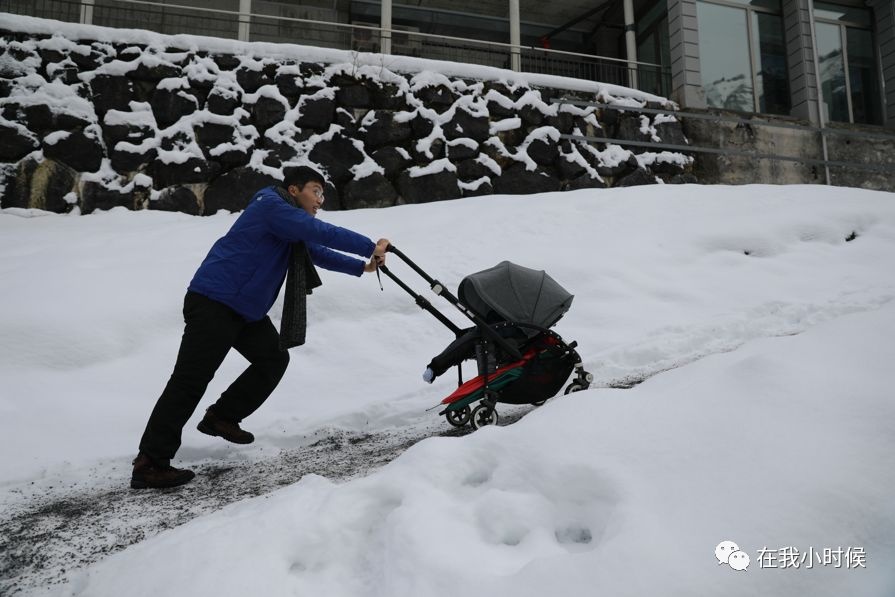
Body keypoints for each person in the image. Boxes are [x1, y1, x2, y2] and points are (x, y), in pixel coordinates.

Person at [131, 166, 390, 489]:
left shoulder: (288, 226)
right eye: (315, 190)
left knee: (273, 358)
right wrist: (370, 245)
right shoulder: (271, 206)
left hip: (244, 310)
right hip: (216, 301)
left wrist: (361, 266)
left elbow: (314, 250)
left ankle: (221, 417)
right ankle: (150, 462)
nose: (320, 200)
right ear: (294, 190)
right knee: (189, 381)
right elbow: (320, 232)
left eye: (323, 194)